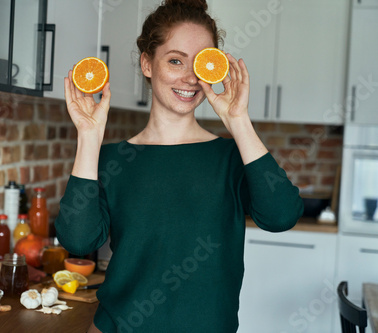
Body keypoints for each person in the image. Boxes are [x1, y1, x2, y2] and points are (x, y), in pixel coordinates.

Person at [55, 0, 303, 331]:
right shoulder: (112, 159)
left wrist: (238, 120)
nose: (189, 79)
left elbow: (281, 216)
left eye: (199, 65)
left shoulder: (231, 158)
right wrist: (88, 137)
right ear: (147, 63)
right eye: (175, 61)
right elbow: (78, 240)